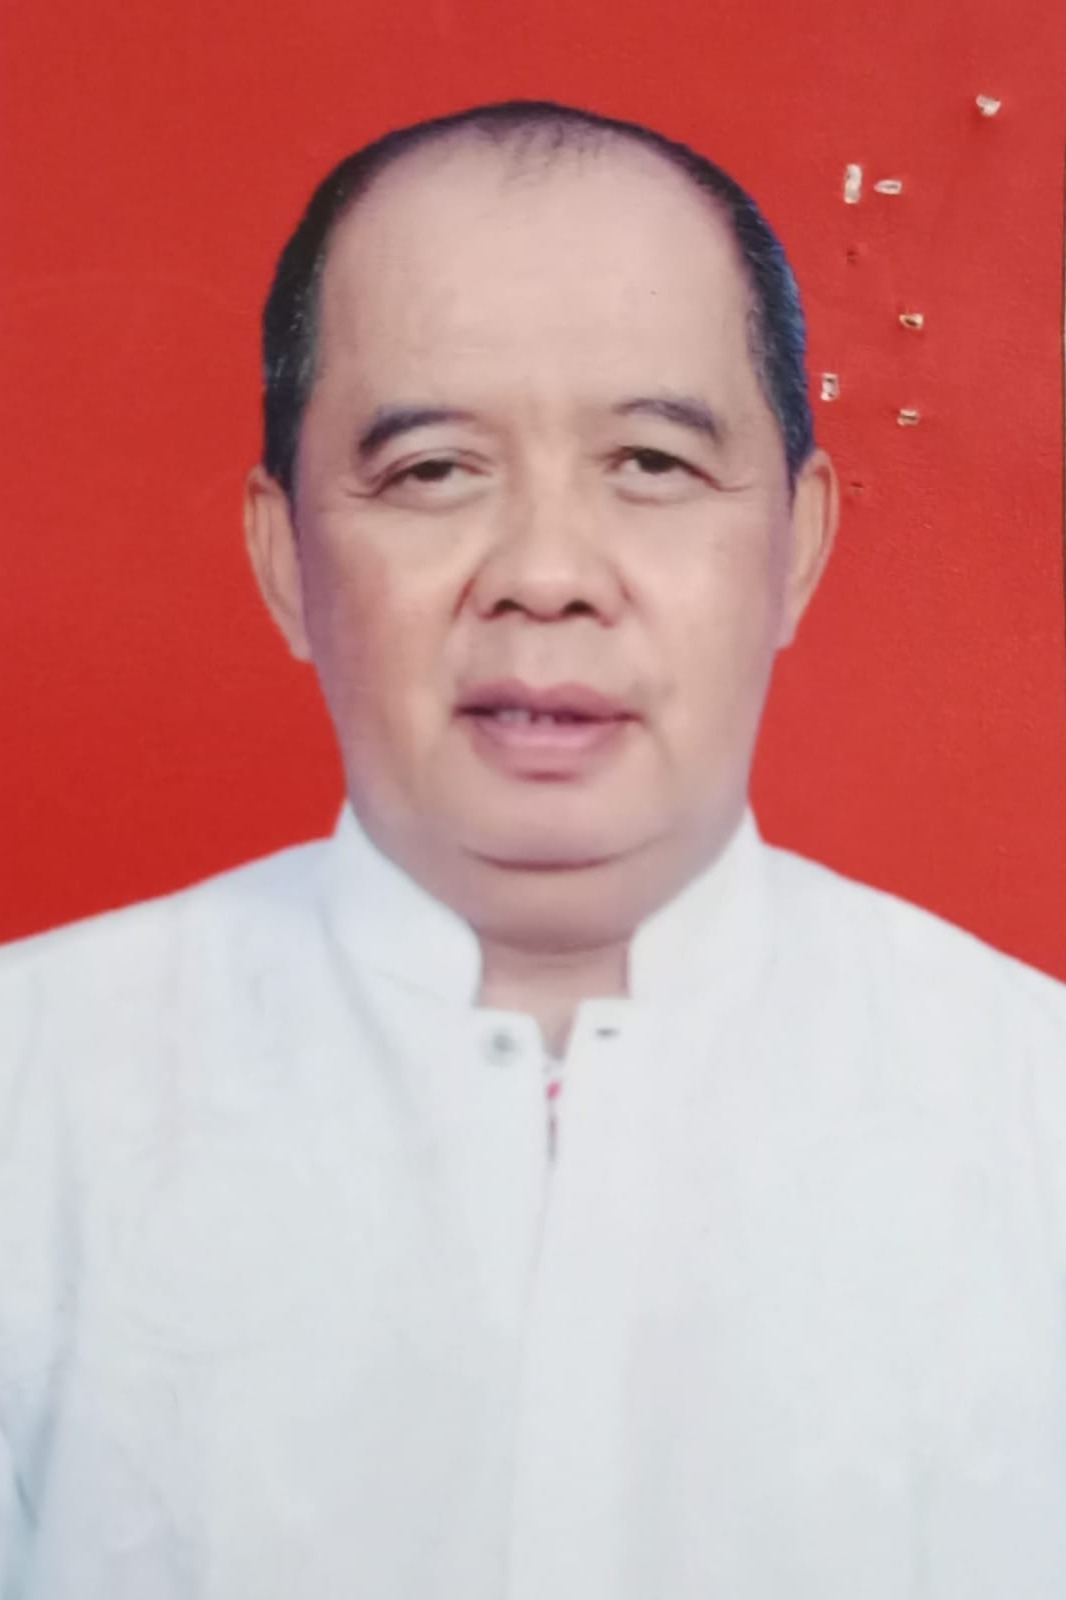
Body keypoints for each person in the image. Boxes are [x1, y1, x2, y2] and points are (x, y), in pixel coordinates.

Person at [2, 98, 1065, 1600]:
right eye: (433, 470)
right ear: (284, 558)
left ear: (799, 544)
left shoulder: (1032, 1121)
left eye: (652, 462)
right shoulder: (35, 1104)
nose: (548, 575)